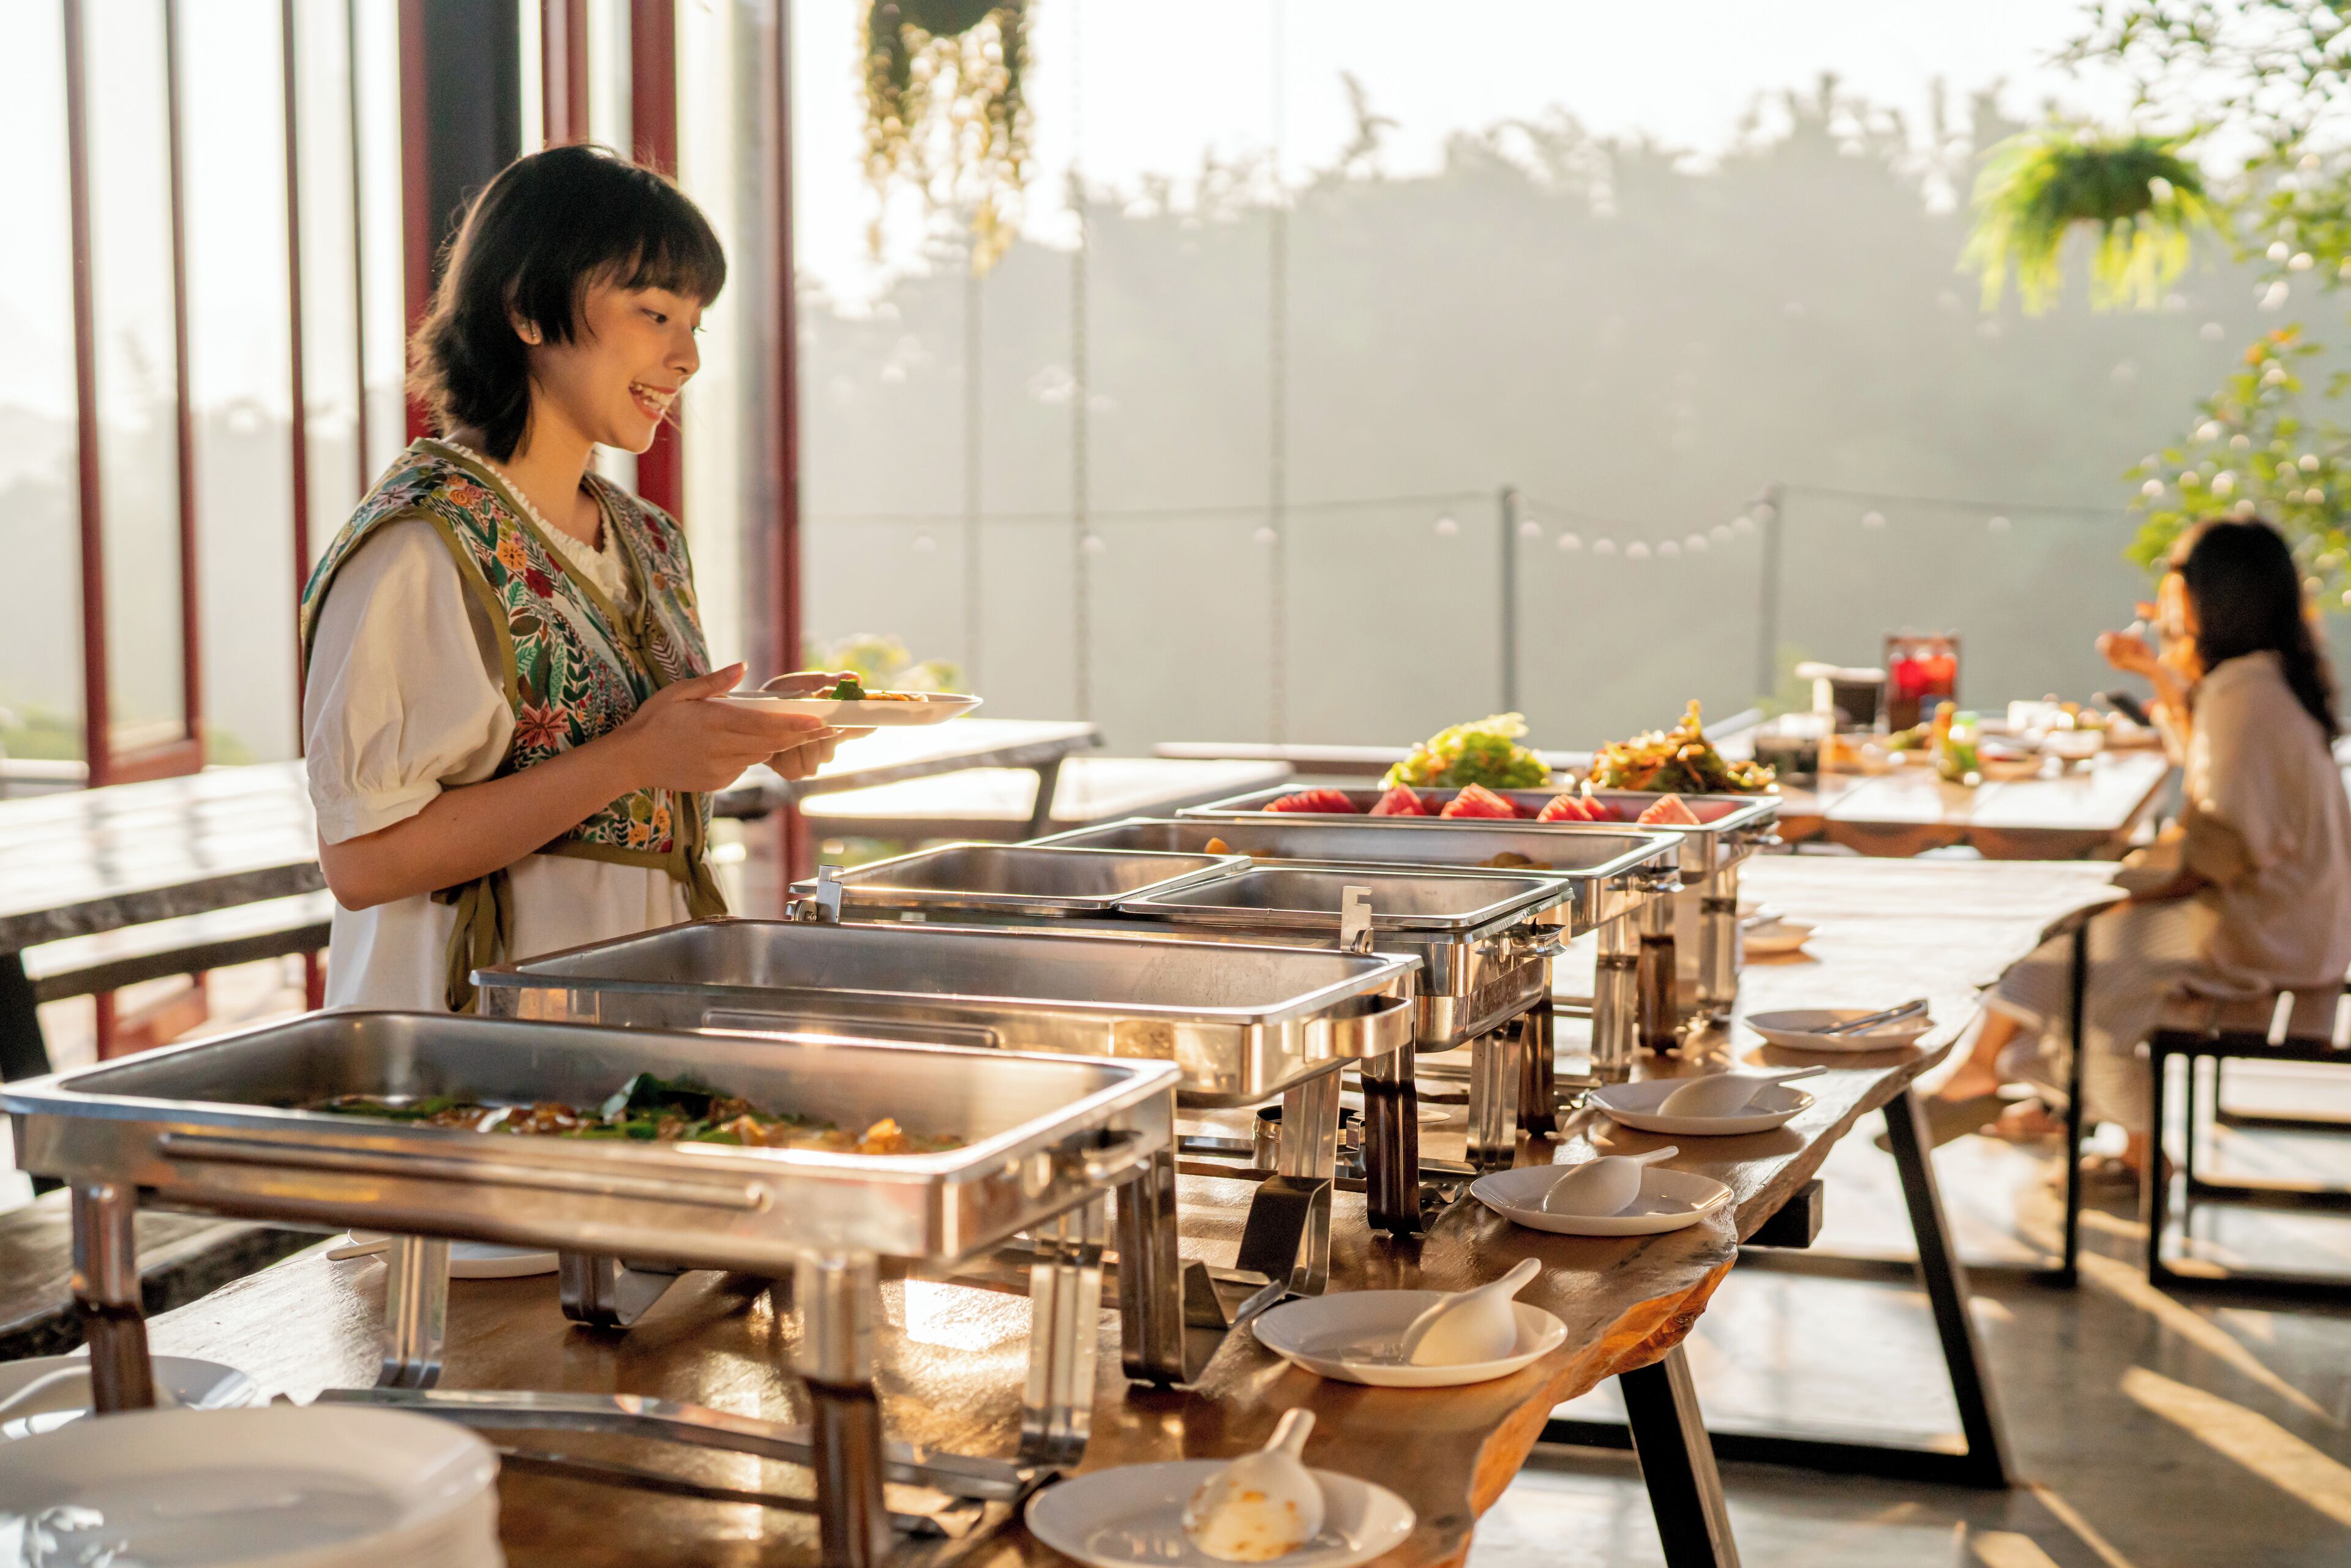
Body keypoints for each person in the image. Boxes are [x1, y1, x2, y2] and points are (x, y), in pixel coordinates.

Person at [301, 146, 846, 1011]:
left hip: (629, 1024)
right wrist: (638, 756)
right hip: (477, 1056)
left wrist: (744, 730)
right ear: (526, 309)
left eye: (695, 323)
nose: (689, 357)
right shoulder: (419, 546)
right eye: (655, 313)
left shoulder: (648, 537)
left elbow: (625, 766)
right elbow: (364, 860)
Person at [1932, 518, 2351, 1180]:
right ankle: (2018, 1087)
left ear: (2213, 598)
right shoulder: (2263, 681)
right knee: (2072, 947)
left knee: (2071, 956)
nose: (2165, 605)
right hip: (2293, 915)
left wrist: (2124, 894)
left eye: (2178, 587)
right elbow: (2215, 775)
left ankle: (2119, 1139)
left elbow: (2226, 845)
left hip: (2261, 928)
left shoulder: (2246, 695)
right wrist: (2158, 668)